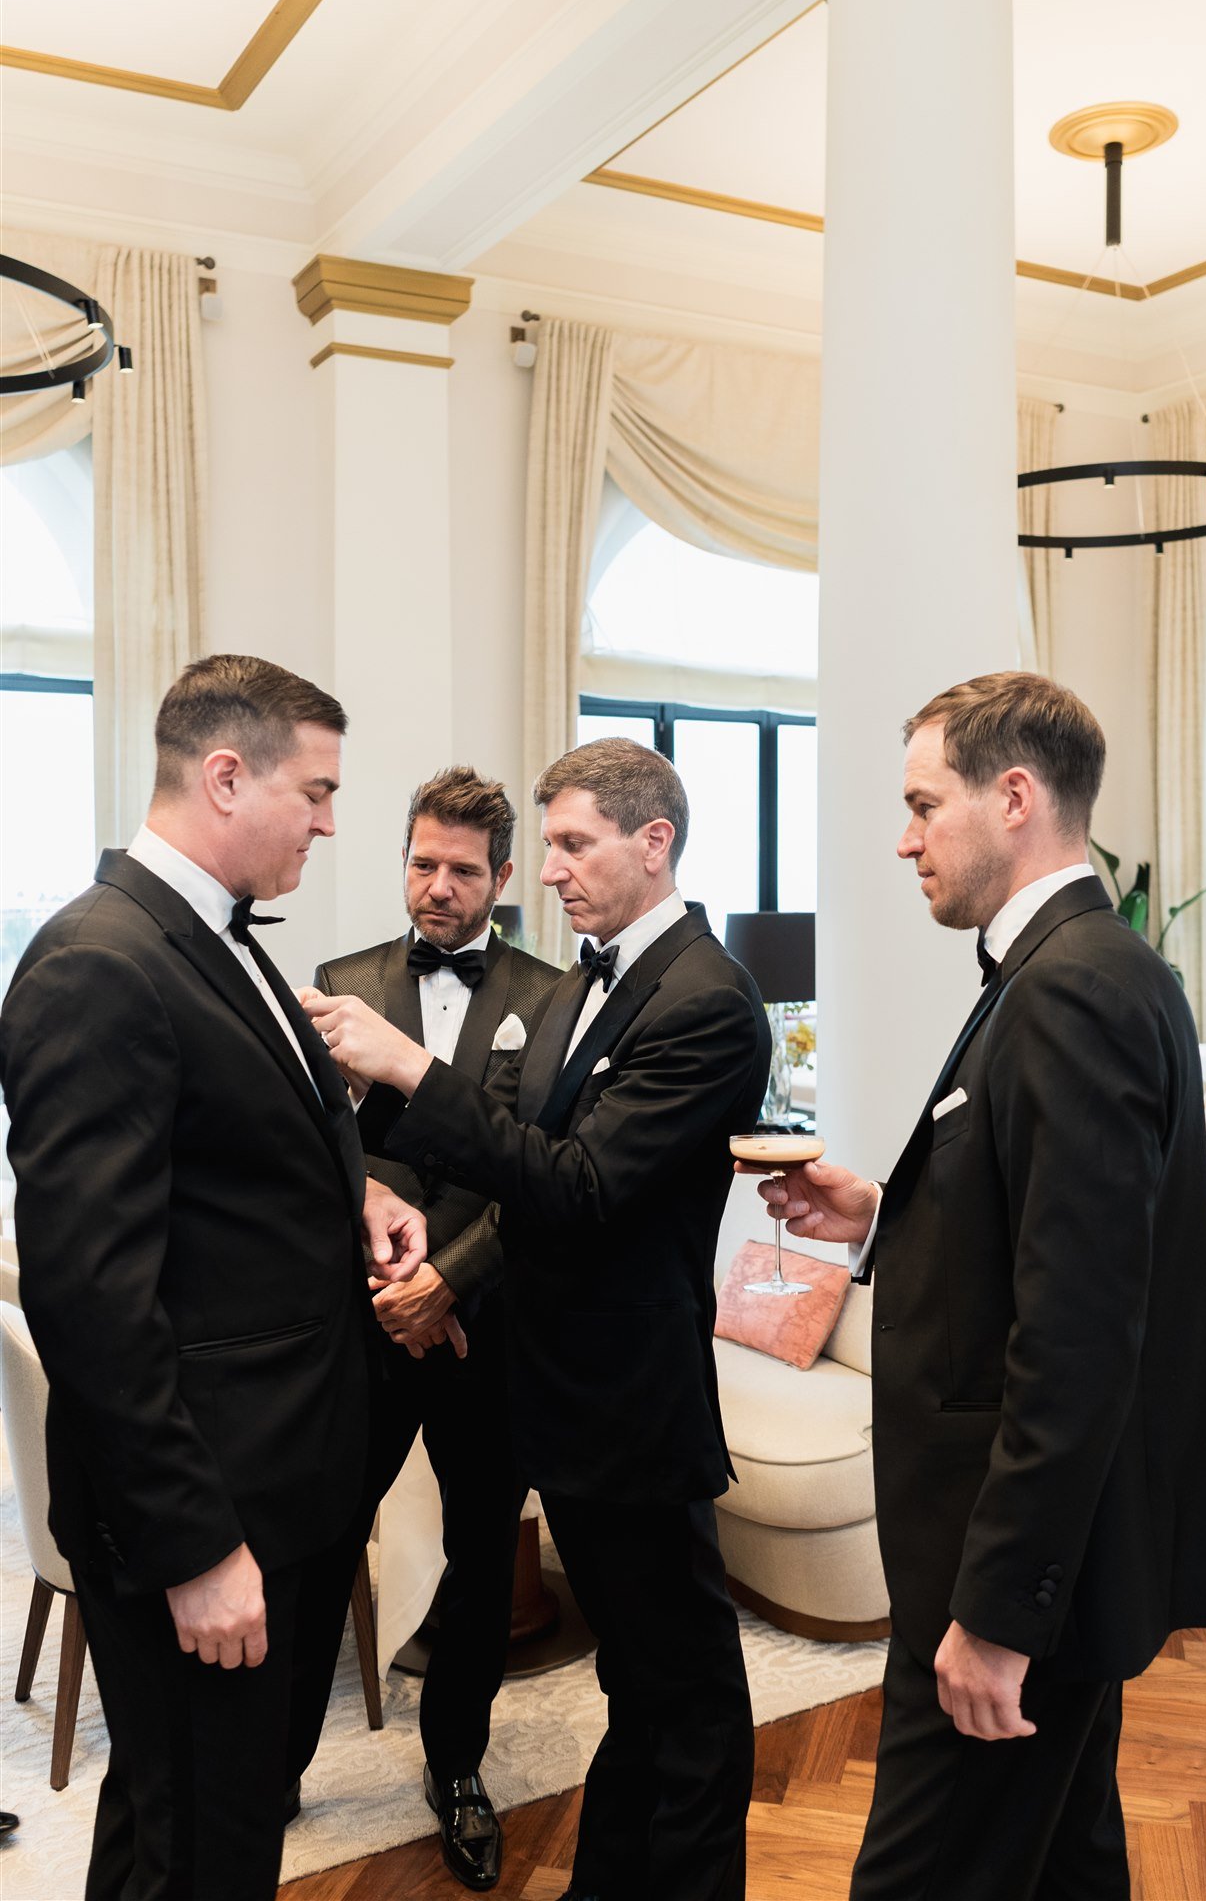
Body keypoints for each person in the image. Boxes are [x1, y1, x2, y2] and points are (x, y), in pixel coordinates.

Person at [746, 671, 1206, 1901]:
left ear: (1014, 796)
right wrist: (886, 1209)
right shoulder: (1079, 967)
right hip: (1048, 1559)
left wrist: (999, 1614)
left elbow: (1079, 1335)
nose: (904, 838)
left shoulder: (1072, 988)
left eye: (925, 804)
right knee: (1065, 1863)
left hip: (1015, 1569)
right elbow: (1042, 1236)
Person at [307, 737, 772, 1901]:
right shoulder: (581, 984)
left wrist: (408, 1066)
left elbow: (578, 1183)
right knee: (640, 1686)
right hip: (561, 1397)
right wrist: (376, 1172)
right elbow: (510, 1144)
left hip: (634, 1405)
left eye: (572, 842)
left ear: (653, 841)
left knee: (692, 1703)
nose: (553, 868)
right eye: (551, 843)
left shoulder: (709, 998)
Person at [0, 653, 425, 1901]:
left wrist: (359, 1196)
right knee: (210, 1851)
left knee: (174, 1815)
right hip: (209, 1507)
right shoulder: (99, 962)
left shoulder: (209, 938)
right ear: (226, 775)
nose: (331, 822)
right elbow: (91, 1297)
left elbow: (228, 1160)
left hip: (287, 1477)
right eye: (318, 790)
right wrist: (195, 1547)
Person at [293, 765, 559, 1892]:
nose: (437, 886)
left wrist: (449, 1280)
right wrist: (387, 1280)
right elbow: (315, 1152)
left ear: (503, 876)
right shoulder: (340, 983)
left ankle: (455, 1766)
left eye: (461, 870)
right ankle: (276, 1762)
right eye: (421, 863)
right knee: (318, 1547)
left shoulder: (553, 997)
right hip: (363, 1327)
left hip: (486, 1330)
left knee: (481, 1557)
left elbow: (542, 1175)